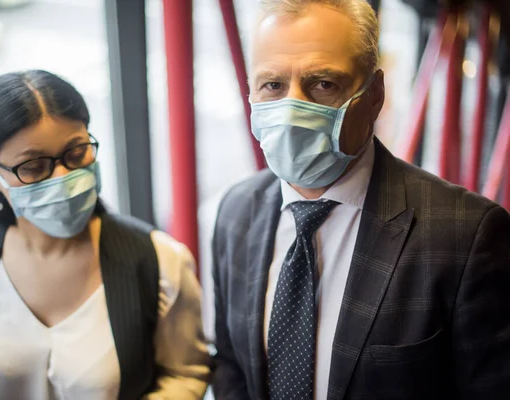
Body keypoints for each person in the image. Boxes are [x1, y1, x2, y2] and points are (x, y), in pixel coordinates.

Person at [212, 1, 510, 399]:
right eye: (273, 85)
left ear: (374, 96)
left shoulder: (464, 235)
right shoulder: (236, 213)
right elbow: (233, 365)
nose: (292, 109)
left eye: (323, 84)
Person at [0, 70, 211, 400]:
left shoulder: (160, 261)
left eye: (76, 152)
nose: (65, 176)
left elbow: (184, 373)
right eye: (34, 166)